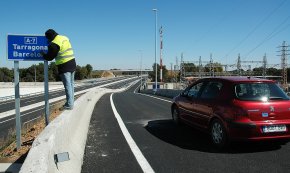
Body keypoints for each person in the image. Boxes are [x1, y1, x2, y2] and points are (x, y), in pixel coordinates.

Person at [41, 29, 76, 110]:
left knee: (67, 86)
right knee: (71, 85)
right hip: (72, 63)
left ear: (50, 37)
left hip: (64, 65)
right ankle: (71, 102)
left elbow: (49, 57)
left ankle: (69, 105)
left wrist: (43, 54)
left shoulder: (53, 44)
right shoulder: (64, 37)